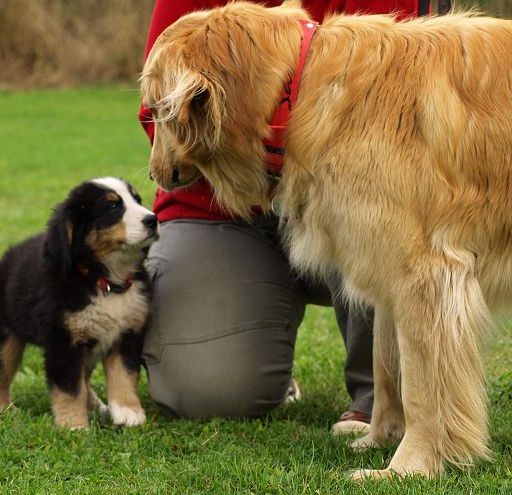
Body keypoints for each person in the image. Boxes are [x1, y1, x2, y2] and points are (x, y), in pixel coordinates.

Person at [138, 0, 419, 432]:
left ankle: (381, 399)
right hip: (217, 206)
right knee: (211, 390)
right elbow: (159, 105)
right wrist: (250, 159)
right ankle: (251, 340)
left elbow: (393, 93)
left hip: (337, 175)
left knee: (381, 206)